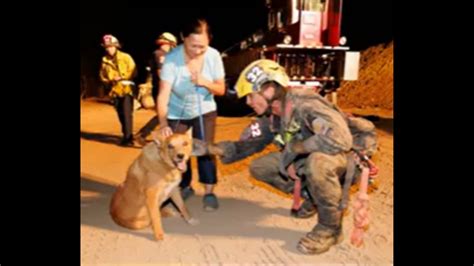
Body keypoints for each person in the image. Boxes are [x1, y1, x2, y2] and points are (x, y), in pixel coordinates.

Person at [210, 59, 378, 254]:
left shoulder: (305, 103)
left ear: (269, 90)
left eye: (250, 96)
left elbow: (340, 139)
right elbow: (246, 145)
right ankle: (313, 197)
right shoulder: (272, 116)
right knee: (261, 167)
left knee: (318, 163)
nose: (248, 102)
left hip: (346, 156)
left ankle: (330, 229)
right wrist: (208, 149)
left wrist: (297, 147)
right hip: (317, 154)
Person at [157, 18, 225, 211]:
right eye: (193, 45)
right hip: (177, 110)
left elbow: (220, 89)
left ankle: (209, 191)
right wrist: (163, 124)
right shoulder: (172, 59)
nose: (197, 50)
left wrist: (205, 82)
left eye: (202, 46)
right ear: (182, 38)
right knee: (176, 151)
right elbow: (163, 95)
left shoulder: (213, 56)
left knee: (204, 150)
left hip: (205, 110)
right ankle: (184, 187)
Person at [135, 32, 178, 145]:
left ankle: (146, 134)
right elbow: (161, 73)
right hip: (163, 89)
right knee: (166, 114)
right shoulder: (160, 54)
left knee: (166, 114)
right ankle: (143, 134)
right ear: (170, 43)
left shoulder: (164, 55)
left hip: (164, 89)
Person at [99, 34, 137, 146]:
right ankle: (126, 135)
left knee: (126, 114)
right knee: (120, 114)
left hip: (126, 89)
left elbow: (134, 70)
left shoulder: (126, 57)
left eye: (110, 46)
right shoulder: (104, 60)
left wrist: (122, 76)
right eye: (106, 47)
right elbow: (102, 75)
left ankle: (128, 138)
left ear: (116, 46)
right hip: (115, 91)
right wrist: (110, 80)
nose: (108, 49)